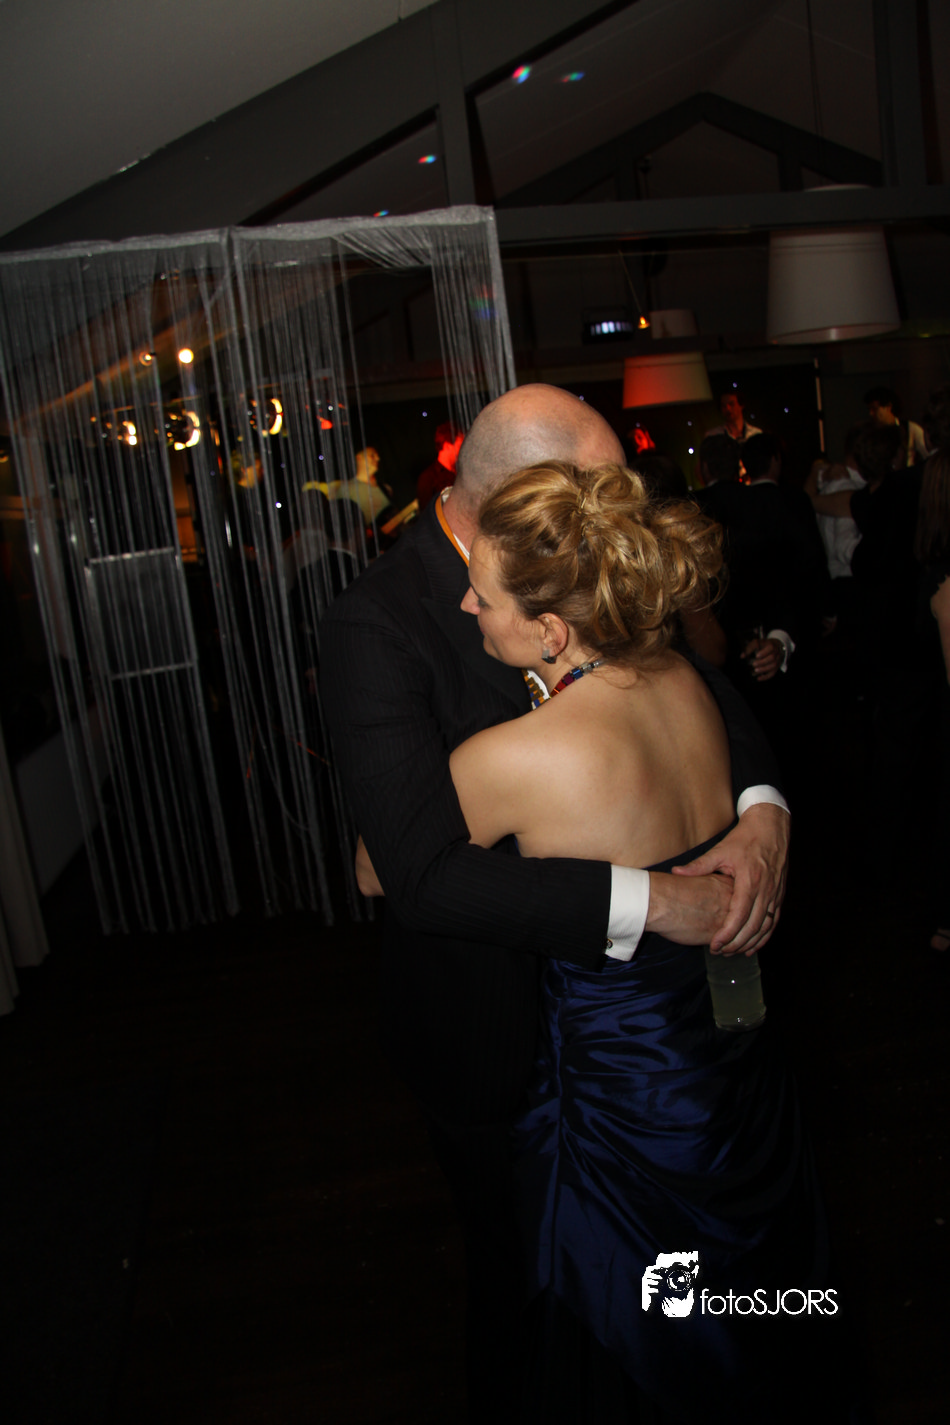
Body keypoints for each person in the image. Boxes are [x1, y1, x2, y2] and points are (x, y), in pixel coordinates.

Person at [320, 384, 789, 1421]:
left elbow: (709, 694)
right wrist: (653, 901)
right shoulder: (378, 620)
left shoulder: (595, 592)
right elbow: (409, 871)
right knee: (527, 1287)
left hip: (653, 1044)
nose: (619, 518)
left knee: (614, 1307)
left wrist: (764, 810)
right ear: (520, 504)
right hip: (497, 1035)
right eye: (598, 488)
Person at [449, 460, 838, 1422]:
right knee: (742, 1290)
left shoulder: (509, 759)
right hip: (731, 1053)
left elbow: (384, 867)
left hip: (622, 1097)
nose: (465, 605)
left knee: (633, 1318)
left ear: (551, 629)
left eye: (483, 594)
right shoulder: (681, 677)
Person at [417, 419, 465, 512]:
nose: (463, 450)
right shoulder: (427, 479)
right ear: (447, 446)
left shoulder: (460, 471)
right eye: (460, 445)